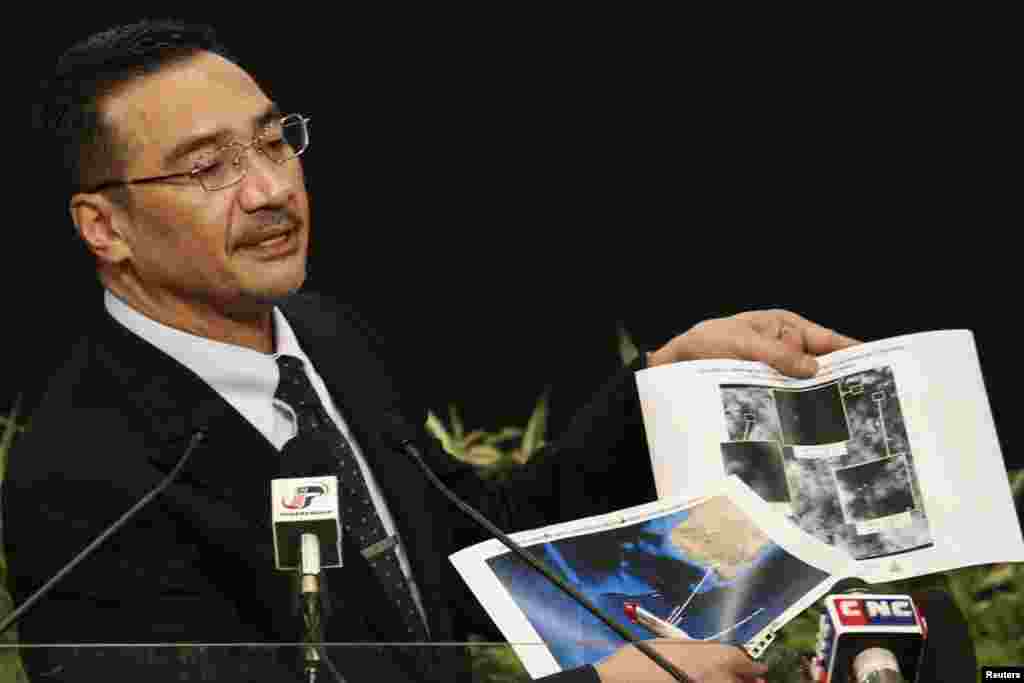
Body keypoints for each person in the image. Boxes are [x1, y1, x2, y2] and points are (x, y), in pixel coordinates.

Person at [4, 19, 859, 683]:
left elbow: (472, 547)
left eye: (272, 141)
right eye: (207, 169)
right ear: (103, 226)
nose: (270, 189)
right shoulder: (84, 478)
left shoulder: (330, 340)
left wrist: (665, 383)